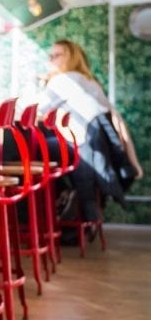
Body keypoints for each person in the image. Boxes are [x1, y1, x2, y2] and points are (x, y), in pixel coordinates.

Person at [37, 39, 143, 223]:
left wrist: (41, 83)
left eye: (57, 55)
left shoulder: (64, 79)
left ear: (71, 57)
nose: (51, 60)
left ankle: (66, 195)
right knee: (56, 149)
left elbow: (37, 108)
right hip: (96, 145)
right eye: (50, 56)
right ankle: (75, 199)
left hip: (85, 144)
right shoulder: (89, 80)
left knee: (41, 148)